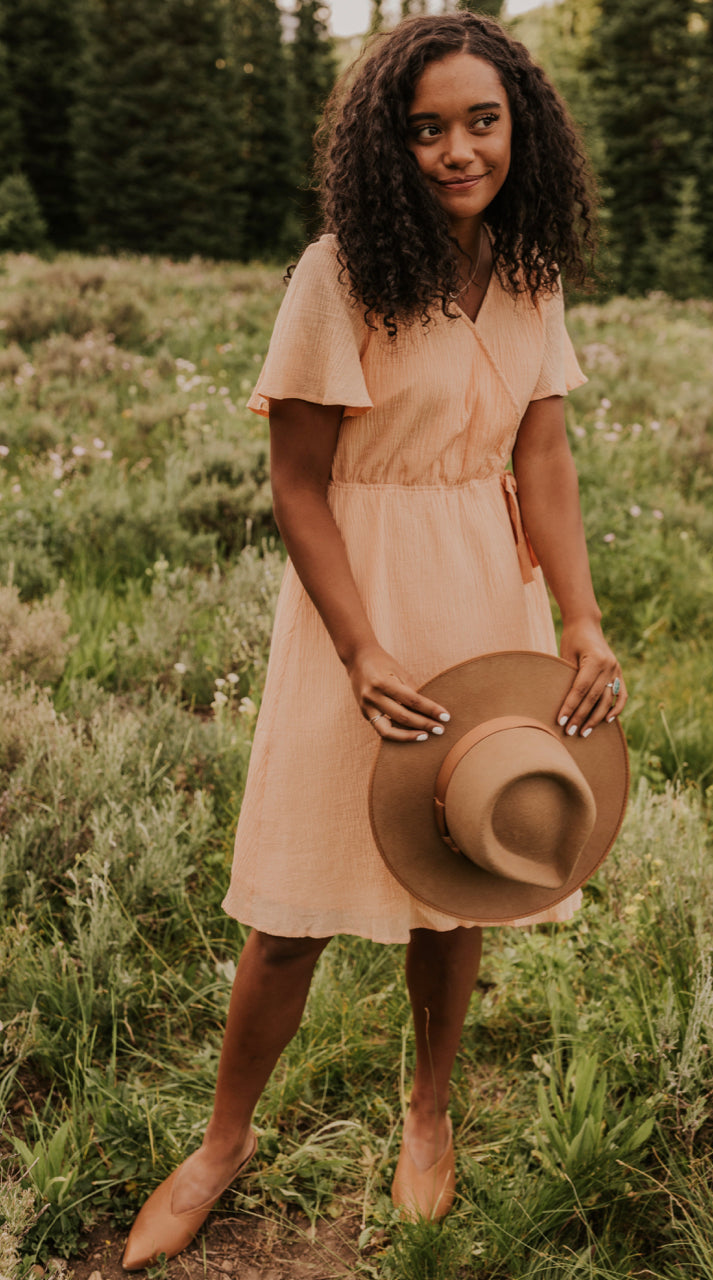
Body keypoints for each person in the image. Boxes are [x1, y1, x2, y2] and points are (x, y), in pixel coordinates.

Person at [122, 11, 627, 1269]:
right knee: (289, 903)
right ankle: (224, 1139)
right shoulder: (338, 273)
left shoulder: (528, 272)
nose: (457, 150)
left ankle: (428, 1112)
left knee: (457, 879)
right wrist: (358, 648)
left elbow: (543, 453)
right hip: (356, 607)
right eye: (425, 129)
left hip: (479, 598)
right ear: (385, 145)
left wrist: (580, 615)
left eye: (481, 121)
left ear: (522, 126)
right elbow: (298, 481)